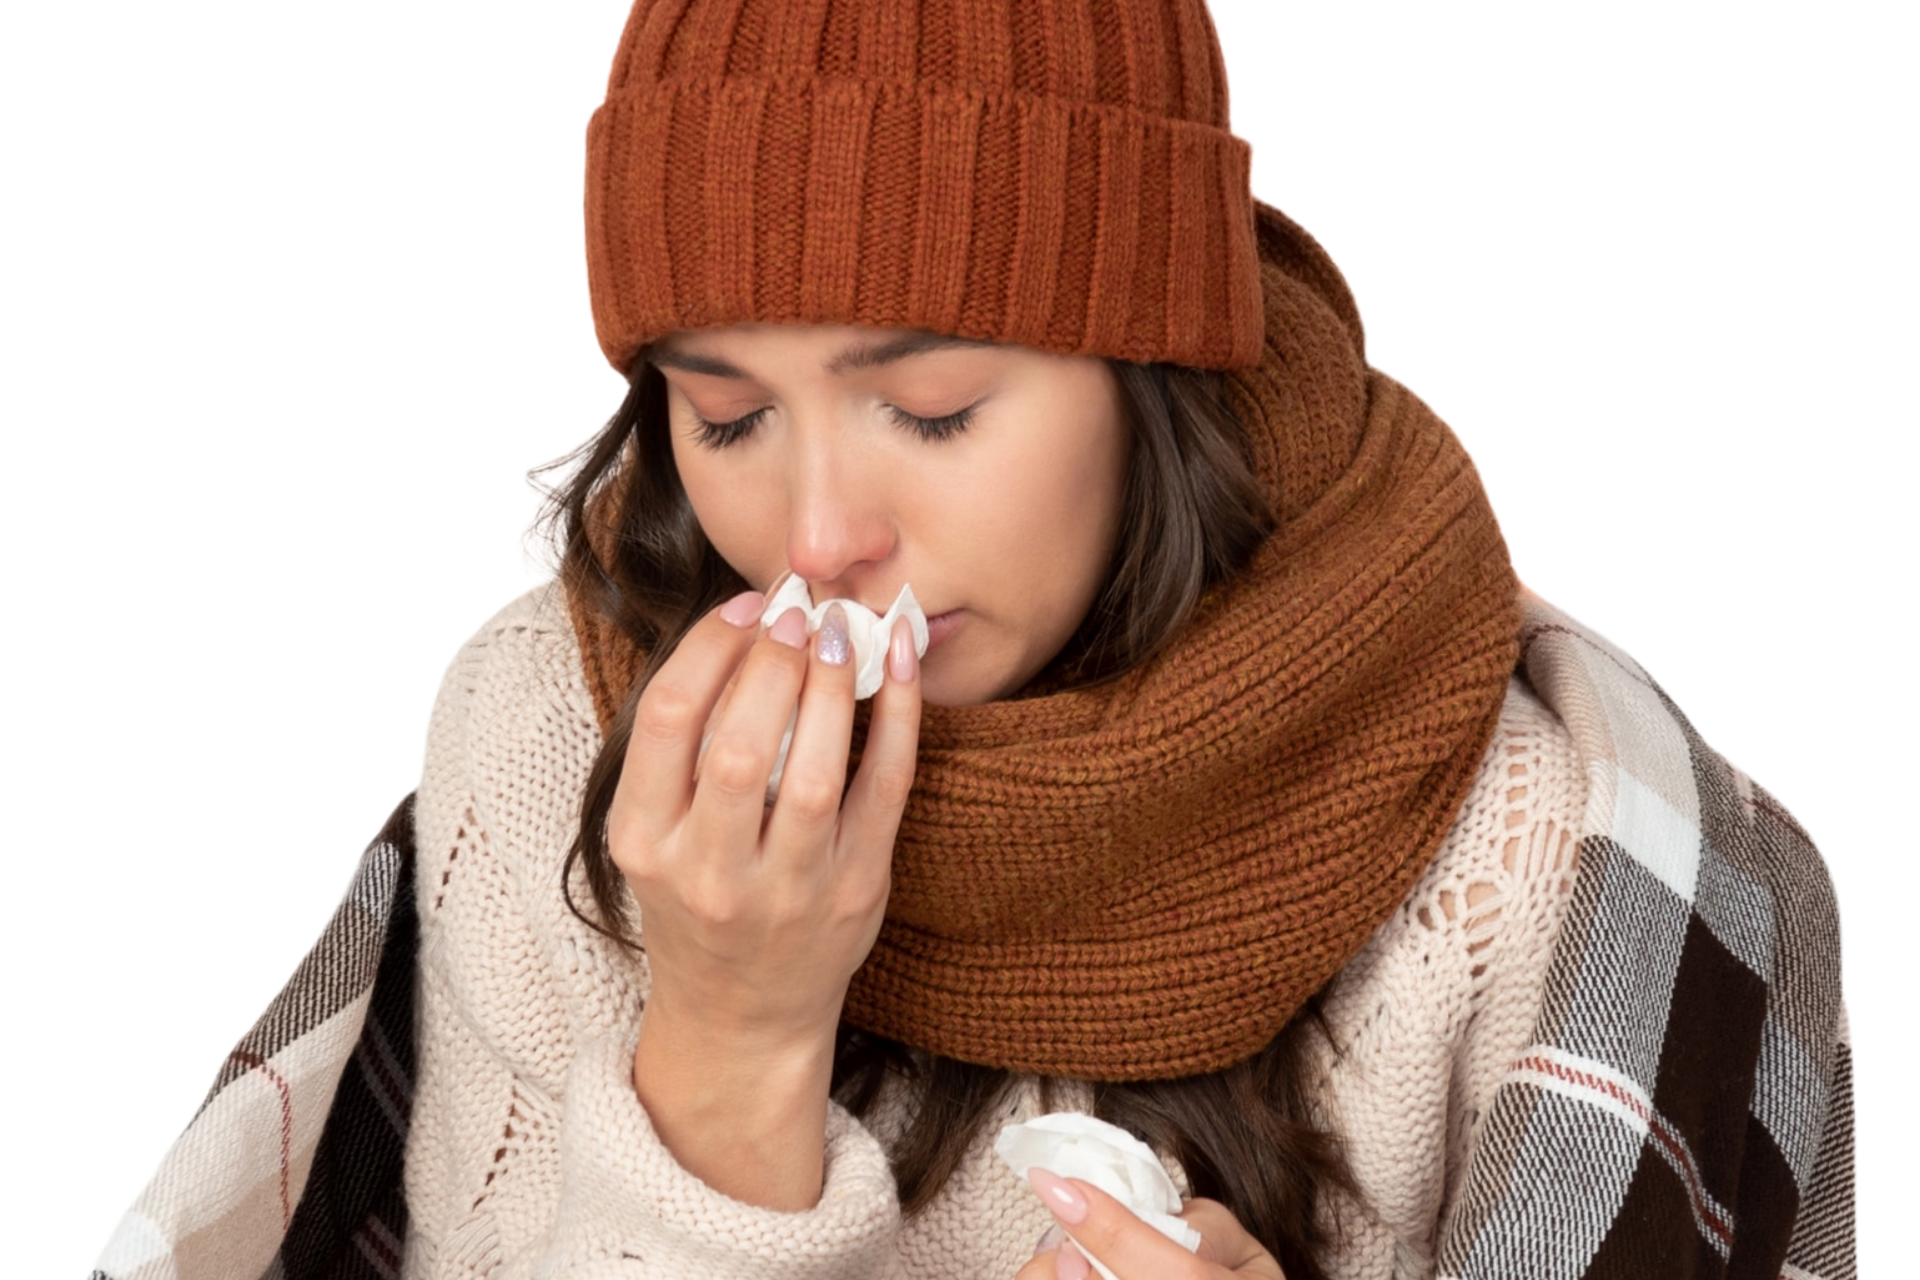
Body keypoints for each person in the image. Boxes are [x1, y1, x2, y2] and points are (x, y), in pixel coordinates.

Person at [90, 2, 1852, 1278]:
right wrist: (724, 1048)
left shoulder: (1534, 846)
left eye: (929, 410)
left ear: (1147, 377)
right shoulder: (551, 732)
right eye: (724, 417)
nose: (815, 533)